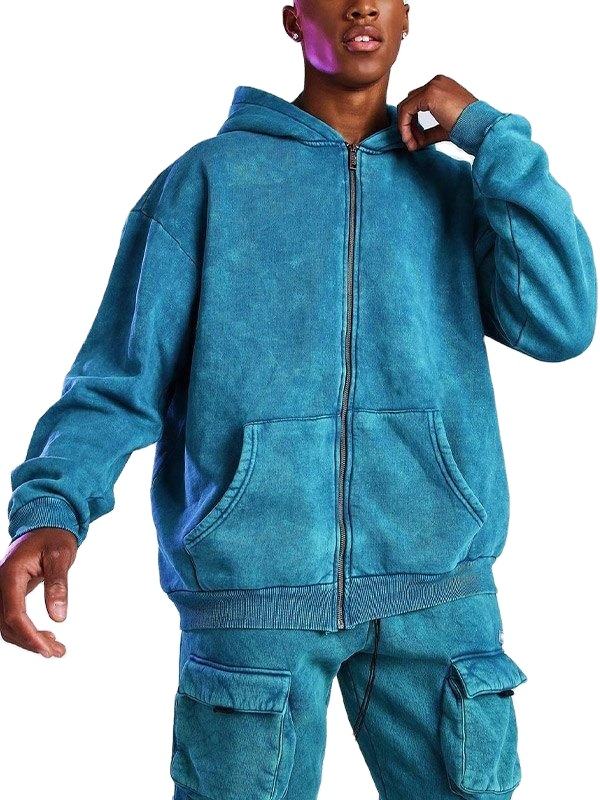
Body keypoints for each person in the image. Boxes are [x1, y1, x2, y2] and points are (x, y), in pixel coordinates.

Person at [1, 2, 596, 798]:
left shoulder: (456, 189)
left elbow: (561, 322)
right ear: (292, 18)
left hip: (440, 590)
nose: (362, 5)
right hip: (253, 601)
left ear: (406, 18)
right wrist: (51, 509)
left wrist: (491, 136)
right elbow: (117, 377)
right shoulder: (209, 182)